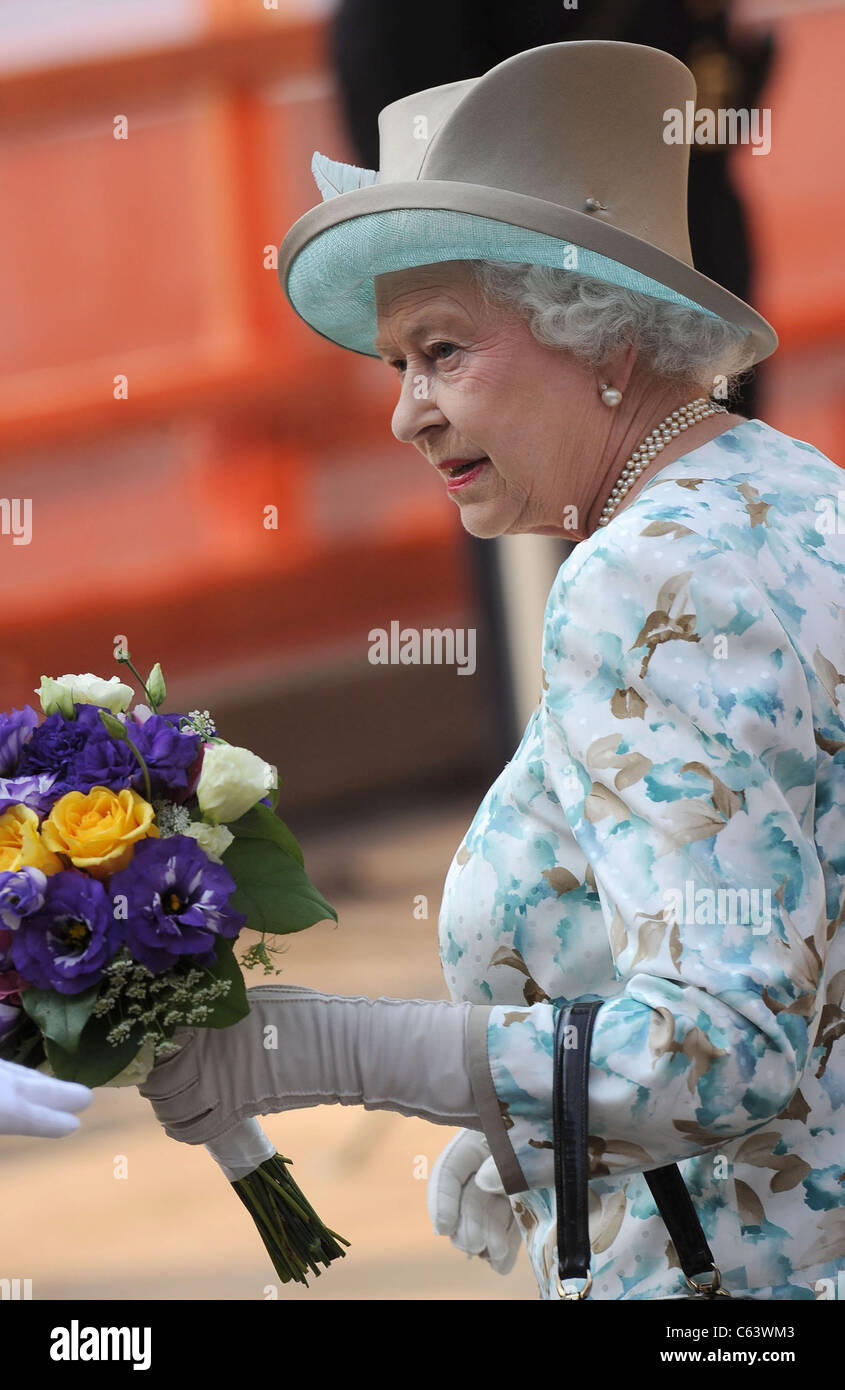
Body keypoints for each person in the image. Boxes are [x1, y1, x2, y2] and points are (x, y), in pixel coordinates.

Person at [140, 42, 845, 1300]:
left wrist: (336, 1046)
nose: (405, 411)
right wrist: (534, 1124)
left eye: (442, 351)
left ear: (599, 338)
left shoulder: (637, 582)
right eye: (396, 364)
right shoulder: (794, 493)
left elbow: (726, 1048)